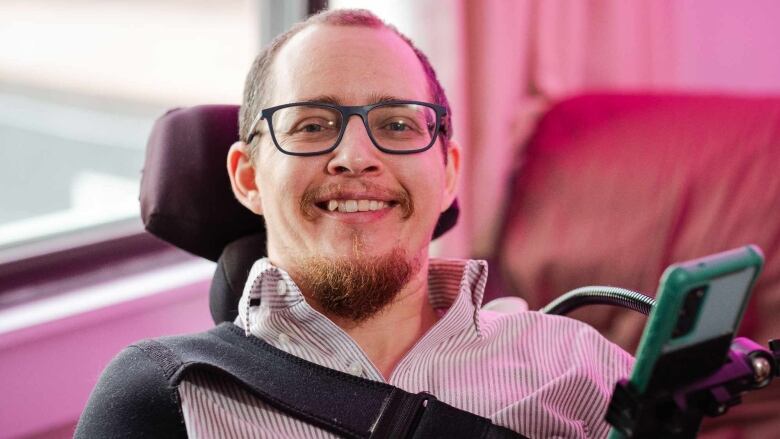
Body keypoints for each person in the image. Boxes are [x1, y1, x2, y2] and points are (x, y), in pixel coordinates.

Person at [75, 8, 632, 438]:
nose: (356, 156)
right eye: (313, 125)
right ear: (248, 178)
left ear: (447, 173)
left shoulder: (577, 361)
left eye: (395, 123)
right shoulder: (167, 392)